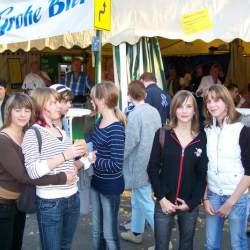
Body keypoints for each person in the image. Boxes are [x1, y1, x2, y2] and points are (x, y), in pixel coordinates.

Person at [0, 93, 76, 250]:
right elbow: (23, 176)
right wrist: (61, 178)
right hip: (3, 204)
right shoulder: (3, 140)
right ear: (9, 111)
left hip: (19, 202)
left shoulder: (28, 133)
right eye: (18, 110)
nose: (23, 115)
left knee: (16, 245)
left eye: (27, 110)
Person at [21, 88, 87, 250]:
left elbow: (67, 167)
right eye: (53, 103)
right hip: (51, 202)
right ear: (41, 106)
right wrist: (65, 154)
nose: (59, 106)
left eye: (58, 102)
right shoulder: (33, 133)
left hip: (73, 197)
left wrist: (86, 159)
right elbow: (33, 171)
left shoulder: (61, 131)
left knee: (65, 246)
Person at [147, 90, 208, 250]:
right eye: (180, 106)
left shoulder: (201, 138)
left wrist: (193, 202)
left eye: (189, 106)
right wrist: (161, 198)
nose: (184, 111)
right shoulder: (162, 134)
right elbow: (152, 168)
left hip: (189, 204)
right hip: (164, 202)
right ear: (173, 110)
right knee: (161, 245)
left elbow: (202, 175)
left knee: (186, 245)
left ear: (195, 110)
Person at [203, 85, 250, 250]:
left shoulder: (242, 130)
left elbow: (249, 172)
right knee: (210, 245)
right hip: (213, 195)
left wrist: (230, 202)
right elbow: (206, 167)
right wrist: (206, 197)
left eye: (216, 100)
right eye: (208, 101)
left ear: (227, 101)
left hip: (237, 197)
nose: (212, 104)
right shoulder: (207, 131)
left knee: (238, 245)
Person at [121, 80, 161, 244]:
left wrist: (119, 156)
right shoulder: (154, 111)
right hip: (153, 161)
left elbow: (130, 142)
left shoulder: (134, 114)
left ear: (129, 96)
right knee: (138, 199)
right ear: (144, 94)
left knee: (144, 200)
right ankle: (136, 232)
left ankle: (163, 241)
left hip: (139, 163)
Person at [89, 81, 126, 250]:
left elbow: (116, 164)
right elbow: (95, 147)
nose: (91, 102)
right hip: (96, 182)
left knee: (109, 235)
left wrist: (94, 159)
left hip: (110, 187)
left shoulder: (116, 128)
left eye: (93, 98)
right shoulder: (98, 122)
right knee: (97, 231)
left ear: (102, 100)